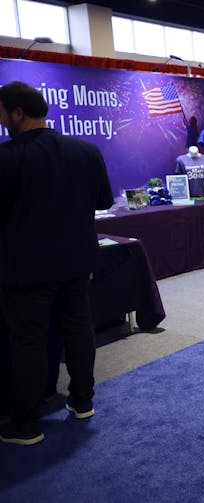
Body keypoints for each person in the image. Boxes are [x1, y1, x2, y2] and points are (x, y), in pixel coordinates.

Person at [0, 81, 114, 445]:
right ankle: (82, 402)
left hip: (26, 268)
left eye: (2, 113)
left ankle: (26, 424)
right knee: (79, 332)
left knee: (28, 343)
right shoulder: (86, 150)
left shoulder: (7, 156)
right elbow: (103, 200)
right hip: (77, 260)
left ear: (17, 113)